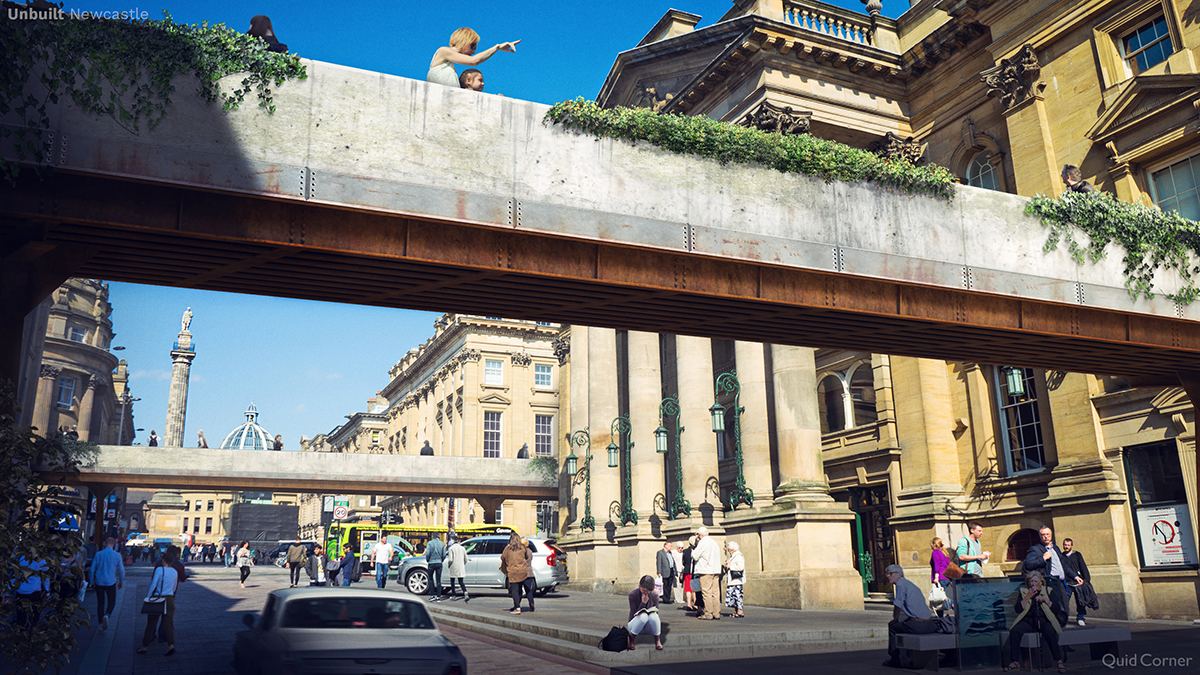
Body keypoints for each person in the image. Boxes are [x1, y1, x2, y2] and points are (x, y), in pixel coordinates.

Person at [1004, 571, 1066, 673]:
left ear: (1041, 582)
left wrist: (1046, 600)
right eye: (1030, 581)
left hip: (1044, 620)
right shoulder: (1024, 591)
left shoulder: (1048, 590)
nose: (1033, 583)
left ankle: (1059, 661)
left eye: (1035, 581)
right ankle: (1014, 661)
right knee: (1015, 631)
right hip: (1028, 621)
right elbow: (1018, 609)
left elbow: (1056, 608)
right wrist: (1028, 596)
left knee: (1050, 632)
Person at [1023, 526, 1082, 628]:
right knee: (1054, 609)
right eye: (1043, 535)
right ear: (1040, 536)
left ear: (1051, 535)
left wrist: (1075, 576)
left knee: (1064, 608)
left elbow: (1064, 566)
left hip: (1060, 583)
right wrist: (1043, 558)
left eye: (1047, 534)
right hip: (1049, 582)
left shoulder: (1056, 548)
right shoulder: (1035, 549)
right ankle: (1055, 634)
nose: (1046, 537)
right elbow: (1029, 564)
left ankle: (1063, 633)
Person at [426, 27, 519, 88]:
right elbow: (474, 61)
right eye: (473, 46)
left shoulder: (449, 66)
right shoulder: (443, 51)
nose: (473, 51)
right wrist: (497, 47)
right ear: (464, 41)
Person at [883, 565, 937, 668]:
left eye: (890, 573)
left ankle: (895, 659)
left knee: (893, 628)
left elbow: (897, 605)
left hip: (919, 626)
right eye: (887, 574)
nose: (888, 576)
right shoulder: (910, 584)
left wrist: (895, 619)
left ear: (899, 574)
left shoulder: (900, 585)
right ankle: (907, 655)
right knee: (904, 625)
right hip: (930, 624)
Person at [137, 549, 178, 657]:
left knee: (151, 623)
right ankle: (171, 646)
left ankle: (144, 646)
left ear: (164, 560)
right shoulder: (174, 571)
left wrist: (148, 597)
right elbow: (174, 588)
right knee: (168, 623)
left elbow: (153, 584)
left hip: (158, 598)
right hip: (169, 598)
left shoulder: (159, 570)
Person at [90, 537, 125, 630]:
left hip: (99, 581)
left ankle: (101, 623)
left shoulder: (98, 554)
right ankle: (107, 614)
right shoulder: (117, 555)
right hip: (111, 581)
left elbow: (92, 569)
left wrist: (91, 581)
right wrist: (121, 581)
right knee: (112, 601)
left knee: (100, 602)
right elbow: (121, 570)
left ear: (105, 544)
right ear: (113, 544)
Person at [626, 574, 664, 650]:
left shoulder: (654, 594)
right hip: (634, 624)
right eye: (643, 590)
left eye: (648, 591)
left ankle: (657, 640)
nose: (645, 593)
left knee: (654, 616)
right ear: (639, 585)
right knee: (643, 616)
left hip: (648, 627)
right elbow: (634, 614)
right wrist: (643, 603)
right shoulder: (633, 594)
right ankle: (631, 640)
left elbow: (656, 611)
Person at [692, 526, 722, 620]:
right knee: (715, 593)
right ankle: (716, 613)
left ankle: (708, 613)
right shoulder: (714, 542)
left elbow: (695, 556)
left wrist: (693, 552)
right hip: (715, 570)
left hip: (705, 570)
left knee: (706, 592)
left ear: (700, 535)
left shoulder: (702, 542)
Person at [499, 532, 531, 614]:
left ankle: (517, 607)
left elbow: (502, 557)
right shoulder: (523, 547)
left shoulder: (508, 548)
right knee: (519, 589)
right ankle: (517, 605)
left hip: (513, 571)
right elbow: (526, 556)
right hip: (522, 571)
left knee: (514, 590)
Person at [1062, 538, 1090, 626]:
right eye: (1065, 545)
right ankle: (1063, 618)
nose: (1066, 547)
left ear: (1072, 546)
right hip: (1067, 582)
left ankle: (1081, 617)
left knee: (1080, 601)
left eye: (1068, 545)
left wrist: (1086, 580)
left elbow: (1083, 567)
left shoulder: (1077, 555)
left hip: (1079, 582)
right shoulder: (1061, 556)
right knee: (1064, 601)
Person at [724, 541, 746, 618]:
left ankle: (740, 611)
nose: (728, 551)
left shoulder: (738, 556)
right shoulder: (733, 556)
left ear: (732, 549)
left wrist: (730, 567)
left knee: (738, 595)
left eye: (729, 550)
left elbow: (741, 567)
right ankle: (736, 610)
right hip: (733, 579)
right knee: (733, 596)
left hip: (736, 579)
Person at [445, 534, 469, 602]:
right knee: (461, 581)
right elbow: (466, 559)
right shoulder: (462, 548)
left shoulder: (451, 548)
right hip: (460, 566)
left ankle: (453, 595)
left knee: (452, 582)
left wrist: (449, 565)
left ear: (452, 540)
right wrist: (462, 564)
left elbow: (450, 560)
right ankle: (465, 592)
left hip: (453, 566)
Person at [425, 533, 446, 602]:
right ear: (439, 537)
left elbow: (427, 553)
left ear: (433, 536)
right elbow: (444, 555)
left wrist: (428, 560)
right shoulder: (442, 544)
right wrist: (441, 560)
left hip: (431, 562)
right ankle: (439, 597)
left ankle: (432, 596)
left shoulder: (430, 543)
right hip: (439, 563)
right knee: (438, 580)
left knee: (430, 579)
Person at [520, 538, 537, 612]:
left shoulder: (521, 551)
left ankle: (517, 605)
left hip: (522, 572)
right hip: (529, 572)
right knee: (528, 590)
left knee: (519, 590)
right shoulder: (530, 551)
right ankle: (531, 603)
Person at [682, 536, 698, 611]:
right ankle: (696, 604)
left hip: (687, 571)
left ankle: (689, 604)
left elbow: (683, 562)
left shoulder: (685, 551)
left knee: (688, 588)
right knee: (695, 588)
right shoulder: (697, 549)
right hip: (695, 571)